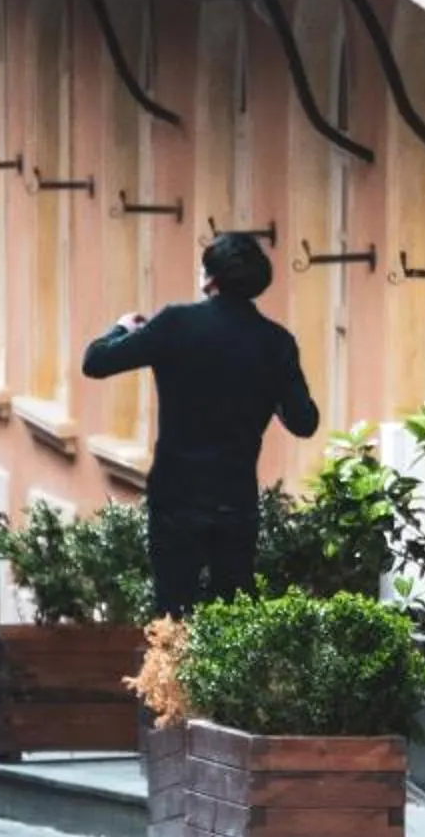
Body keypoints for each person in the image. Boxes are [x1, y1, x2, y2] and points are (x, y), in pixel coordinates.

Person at [80, 233, 319, 616]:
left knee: (173, 613)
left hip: (177, 496)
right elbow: (304, 421)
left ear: (210, 279)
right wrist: (268, 390)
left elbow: (96, 362)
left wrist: (122, 328)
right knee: (231, 620)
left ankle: (172, 676)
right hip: (235, 499)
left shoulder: (177, 324)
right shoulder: (276, 343)